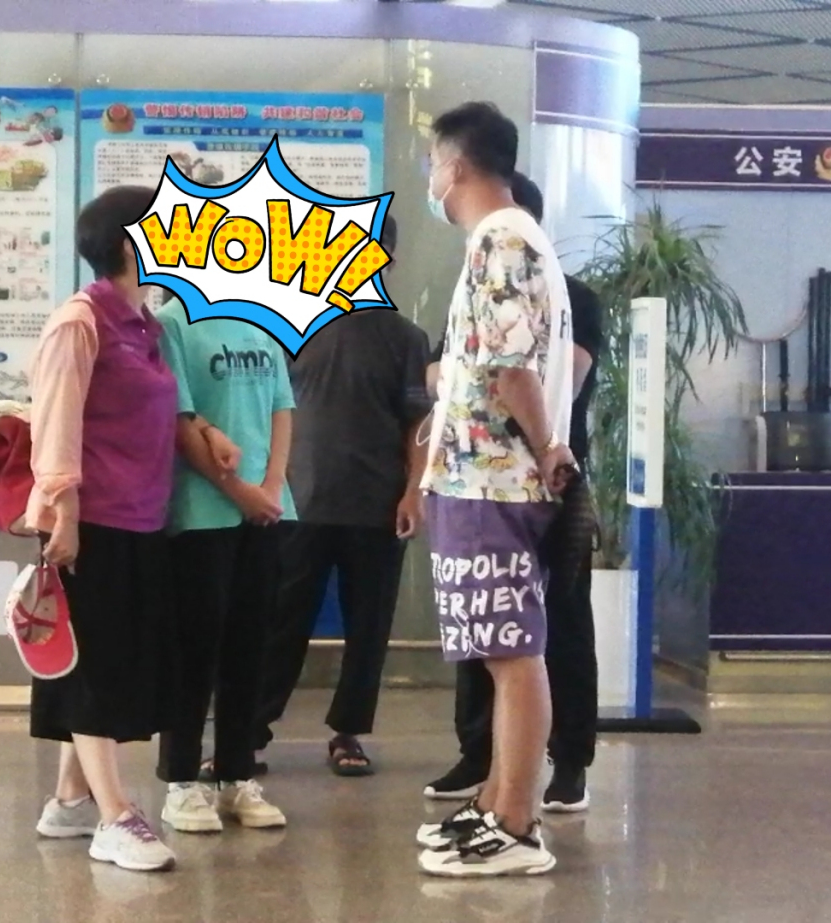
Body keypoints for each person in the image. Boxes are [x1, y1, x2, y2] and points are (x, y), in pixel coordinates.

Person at [24, 185, 238, 873]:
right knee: (99, 671)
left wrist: (205, 430)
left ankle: (68, 801)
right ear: (128, 243)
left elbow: (161, 406)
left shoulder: (146, 325)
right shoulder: (79, 322)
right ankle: (116, 816)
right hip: (92, 521)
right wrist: (64, 513)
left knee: (108, 660)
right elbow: (55, 421)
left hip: (144, 517)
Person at [411, 102, 575, 879]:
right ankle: (496, 799)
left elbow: (511, 369)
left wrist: (546, 449)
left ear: (455, 166)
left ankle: (516, 822)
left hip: (494, 480)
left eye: (432, 163)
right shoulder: (508, 238)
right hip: (479, 476)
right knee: (498, 650)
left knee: (512, 652)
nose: (430, 178)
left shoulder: (503, 240)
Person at [424, 173, 604, 815]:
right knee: (491, 638)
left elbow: (548, 376)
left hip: (531, 478)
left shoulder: (559, 287)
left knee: (545, 632)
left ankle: (554, 775)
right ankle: (487, 774)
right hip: (482, 475)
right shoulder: (482, 275)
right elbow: (441, 370)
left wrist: (547, 440)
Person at [251, 214, 431, 777]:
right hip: (297, 502)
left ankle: (348, 734)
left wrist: (414, 492)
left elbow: (418, 424)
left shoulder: (406, 338)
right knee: (279, 623)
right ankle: (249, 735)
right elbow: (267, 411)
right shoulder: (290, 325)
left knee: (368, 628)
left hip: (377, 505)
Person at [155, 267, 297, 834]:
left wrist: (272, 485)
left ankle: (237, 775)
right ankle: (181, 781)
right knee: (195, 650)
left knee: (251, 648)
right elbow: (180, 422)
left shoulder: (263, 322)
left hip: (268, 508)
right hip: (202, 512)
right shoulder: (172, 323)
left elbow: (282, 409)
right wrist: (239, 491)